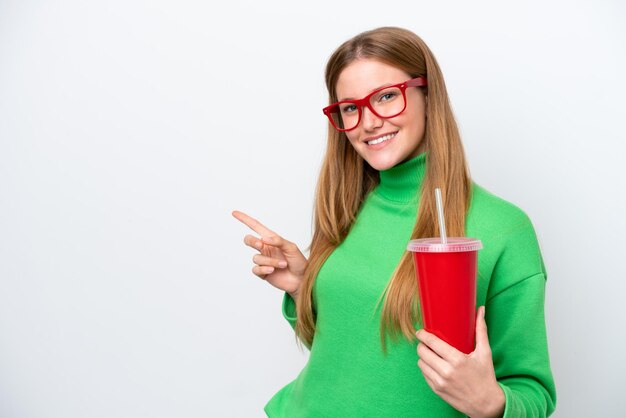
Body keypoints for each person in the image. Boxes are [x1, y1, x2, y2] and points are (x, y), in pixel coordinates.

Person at [232, 26, 556, 418]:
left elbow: (534, 393)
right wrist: (303, 289)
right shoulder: (347, 207)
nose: (368, 122)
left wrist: (491, 403)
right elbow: (349, 354)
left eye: (386, 97)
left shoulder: (503, 229)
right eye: (350, 108)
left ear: (428, 95)